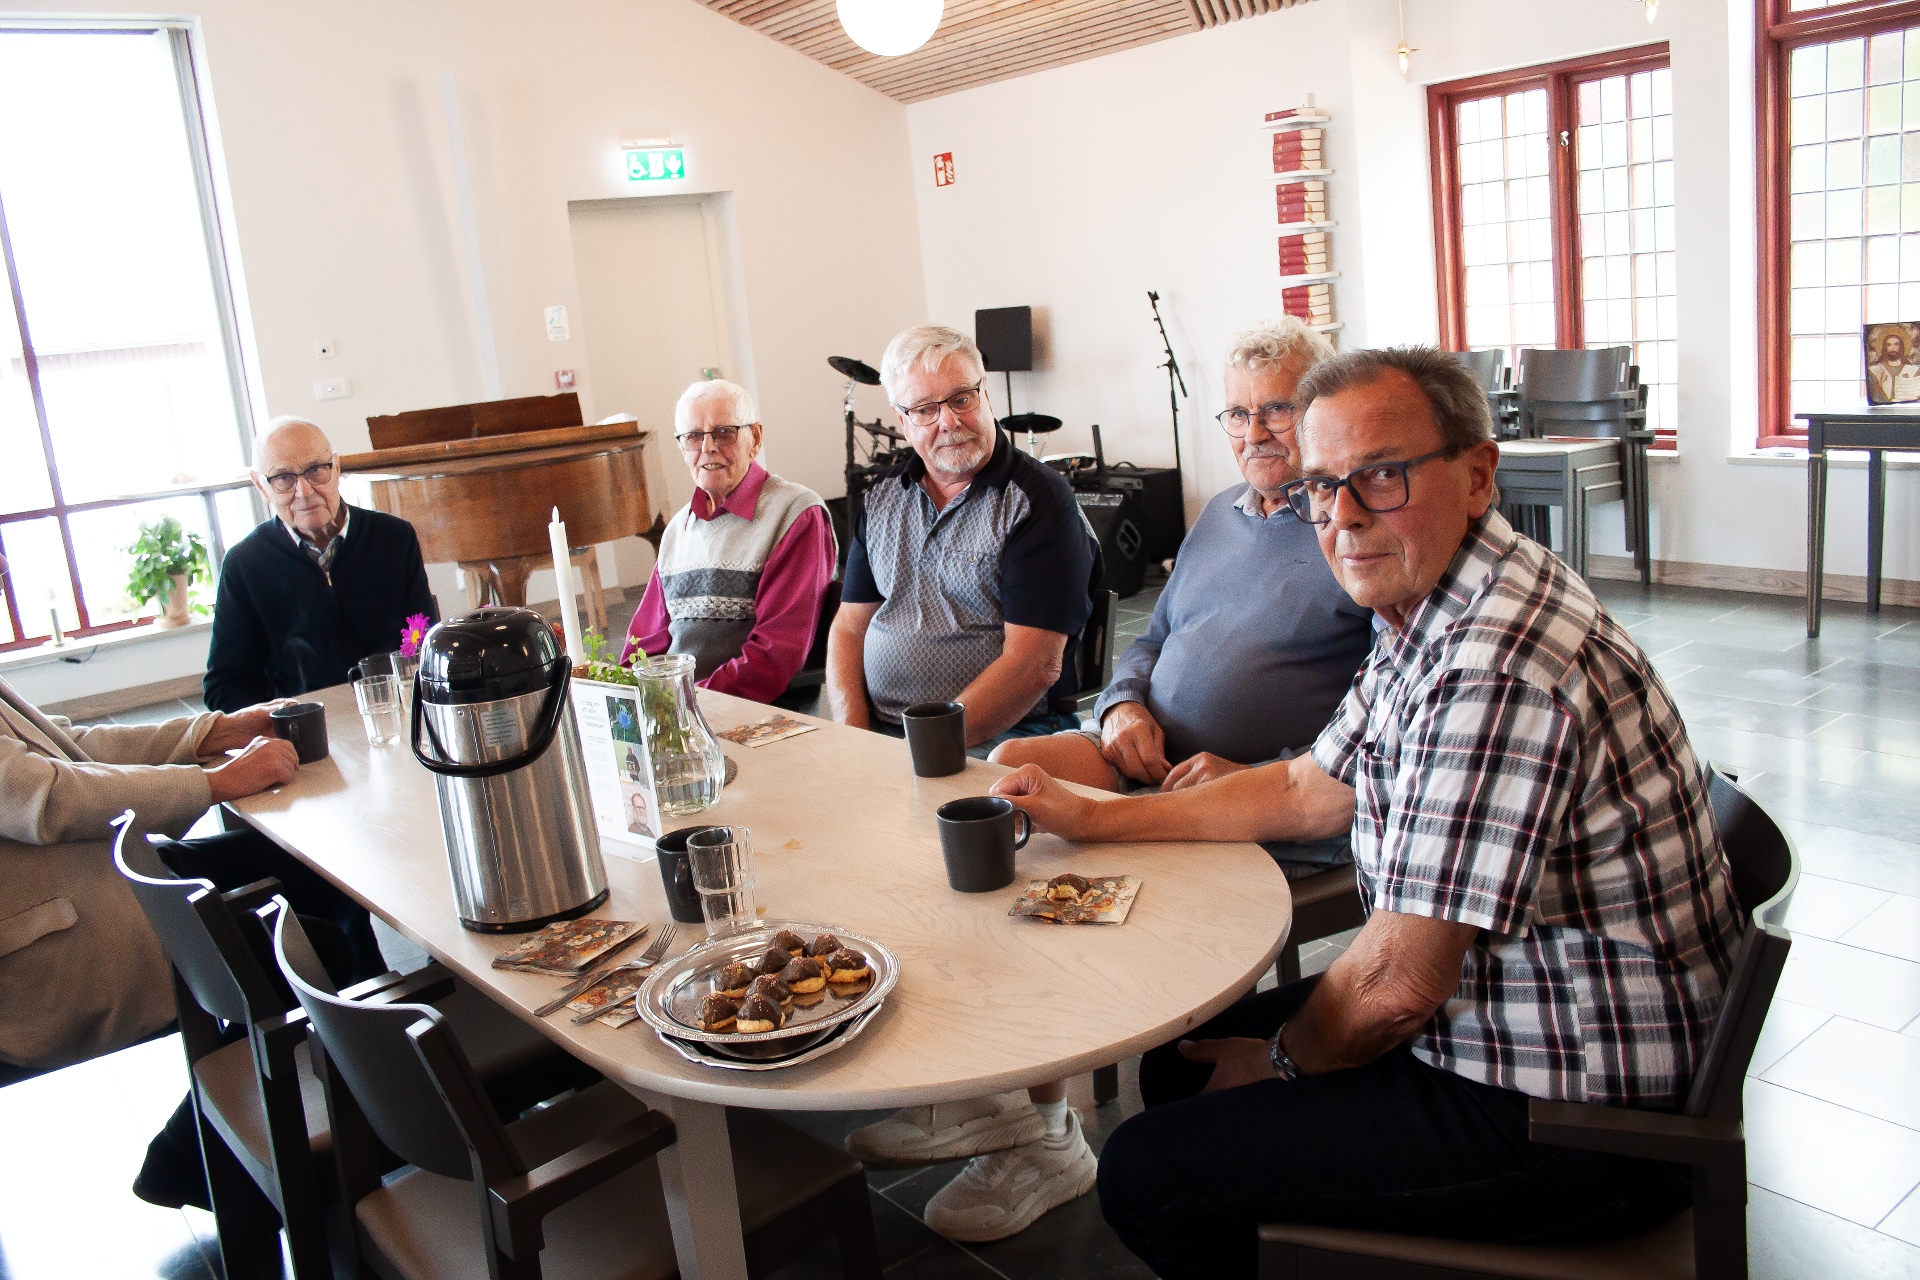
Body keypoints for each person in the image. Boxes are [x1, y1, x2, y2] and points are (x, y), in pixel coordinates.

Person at [990, 346, 1746, 1278]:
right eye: (1322, 485)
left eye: (1382, 478)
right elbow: (1312, 787)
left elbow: (1397, 989)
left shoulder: (1495, 663)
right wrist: (1095, 815)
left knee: (1149, 1173)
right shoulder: (1432, 602)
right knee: (1178, 1069)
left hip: (1576, 1112)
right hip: (1513, 1016)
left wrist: (1278, 1067)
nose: (1342, 517)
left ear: (1477, 474)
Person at [850, 319, 1376, 1245]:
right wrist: (1122, 711)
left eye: (1279, 411)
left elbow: (1373, 724)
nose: (1256, 432)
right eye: (1238, 413)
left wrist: (1252, 770)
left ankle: (1044, 1133)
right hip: (1147, 755)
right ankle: (994, 1083)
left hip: (1257, 797)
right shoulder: (1220, 514)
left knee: (1061, 868)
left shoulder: (1349, 533)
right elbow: (1149, 638)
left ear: (1321, 413)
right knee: (975, 791)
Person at [0, 554, 382, 1210]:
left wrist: (212, 732)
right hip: (55, 934)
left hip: (102, 875)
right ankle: (202, 1154)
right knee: (313, 951)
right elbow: (46, 796)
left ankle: (369, 1046)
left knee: (300, 875)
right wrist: (216, 781)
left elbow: (72, 746)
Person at [826, 324, 1098, 753]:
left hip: (1001, 734)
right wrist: (855, 741)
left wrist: (926, 749)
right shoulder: (880, 498)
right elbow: (848, 629)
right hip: (883, 734)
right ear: (902, 419)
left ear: (984, 394)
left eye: (961, 398)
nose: (949, 421)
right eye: (924, 409)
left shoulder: (1037, 500)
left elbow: (1034, 665)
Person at [618, 380, 835, 702]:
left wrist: (687, 703)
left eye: (724, 432)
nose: (708, 447)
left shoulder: (795, 514)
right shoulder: (680, 528)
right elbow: (645, 642)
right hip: (680, 712)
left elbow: (776, 654)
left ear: (755, 438)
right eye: (693, 436)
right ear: (682, 447)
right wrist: (627, 695)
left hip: (757, 718)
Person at [204, 415, 438, 712]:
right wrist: (287, 718)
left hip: (395, 714)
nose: (304, 491)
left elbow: (425, 641)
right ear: (261, 486)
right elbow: (223, 688)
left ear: (336, 468)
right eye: (283, 478)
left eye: (316, 470)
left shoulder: (393, 537)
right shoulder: (244, 565)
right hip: (305, 731)